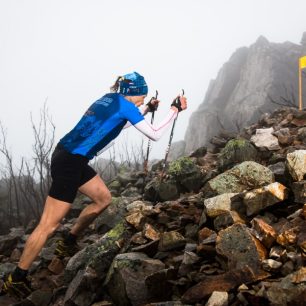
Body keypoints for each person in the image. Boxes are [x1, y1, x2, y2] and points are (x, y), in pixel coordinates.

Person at [0, 71, 187, 299]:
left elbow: (116, 125)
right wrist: (174, 110)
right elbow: (155, 135)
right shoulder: (126, 106)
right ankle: (16, 278)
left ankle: (68, 241)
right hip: (70, 161)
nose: (142, 100)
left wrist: (146, 109)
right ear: (133, 93)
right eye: (141, 96)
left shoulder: (108, 99)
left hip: (72, 157)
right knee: (48, 225)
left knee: (103, 199)